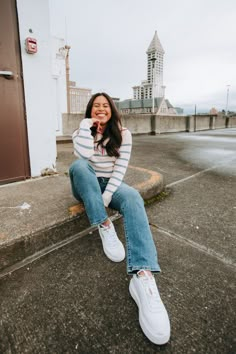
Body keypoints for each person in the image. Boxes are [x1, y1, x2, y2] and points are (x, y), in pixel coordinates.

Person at [69, 92, 170, 345]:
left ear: (112, 110)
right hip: (85, 181)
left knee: (133, 197)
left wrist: (108, 195)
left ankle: (142, 276)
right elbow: (82, 157)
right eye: (95, 106)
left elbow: (120, 170)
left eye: (105, 106)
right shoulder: (81, 132)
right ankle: (104, 224)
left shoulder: (123, 134)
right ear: (90, 111)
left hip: (109, 184)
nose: (100, 109)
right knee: (79, 166)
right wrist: (85, 127)